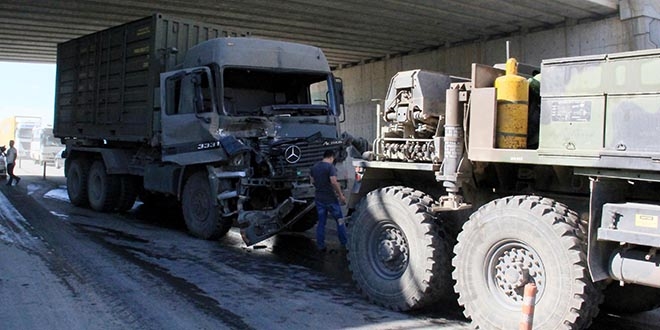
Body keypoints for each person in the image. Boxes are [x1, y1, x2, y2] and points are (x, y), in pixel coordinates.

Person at [310, 149, 348, 252]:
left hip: (319, 198)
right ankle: (345, 243)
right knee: (340, 221)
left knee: (321, 223)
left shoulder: (314, 167)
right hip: (331, 199)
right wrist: (340, 195)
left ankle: (321, 245)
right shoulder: (330, 167)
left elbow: (312, 181)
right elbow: (333, 181)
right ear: (331, 157)